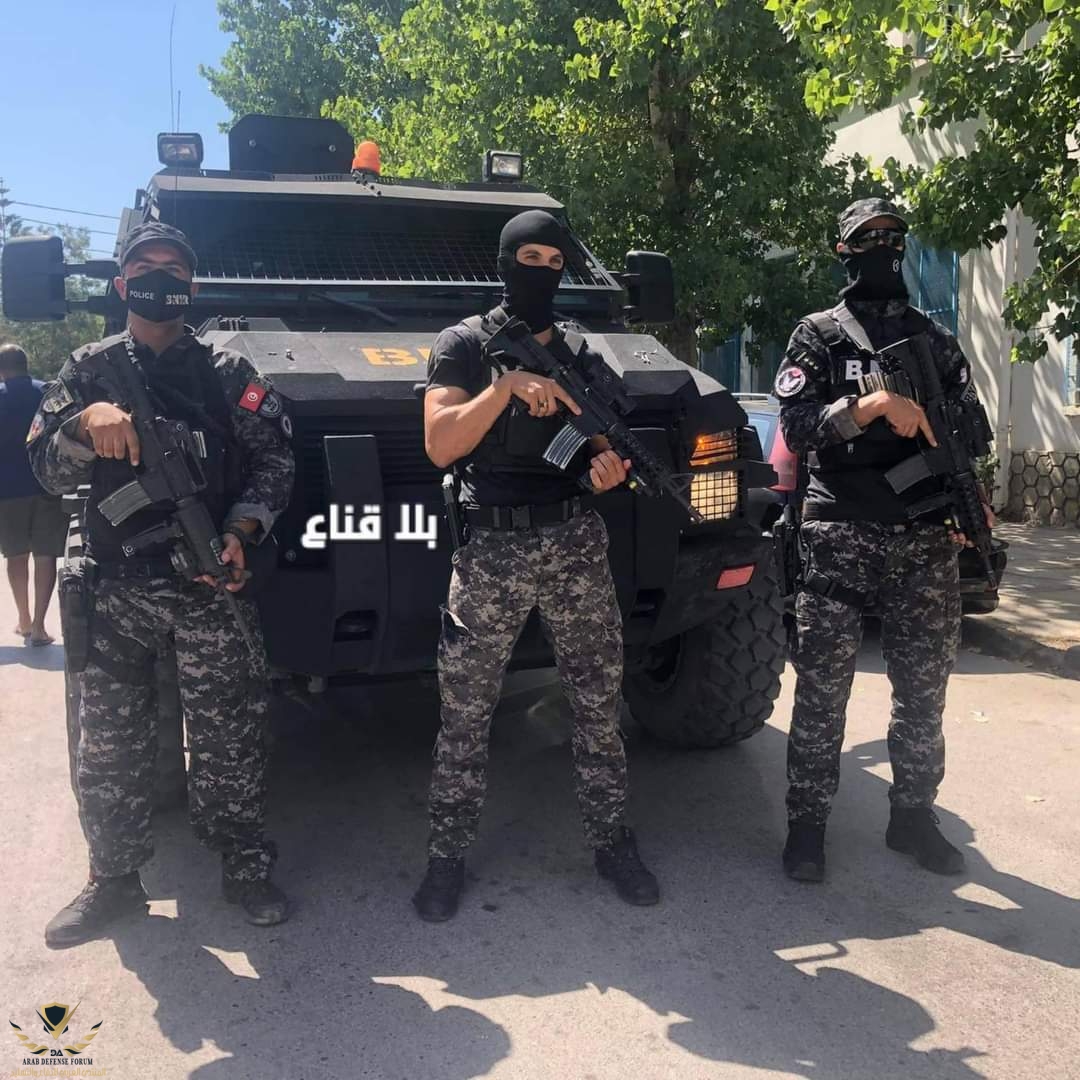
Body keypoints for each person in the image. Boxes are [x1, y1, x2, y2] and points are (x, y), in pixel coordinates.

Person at [27, 222, 296, 947]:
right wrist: (83, 424)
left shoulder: (228, 371)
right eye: (145, 266)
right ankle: (114, 880)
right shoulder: (87, 370)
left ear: (191, 287)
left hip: (209, 585)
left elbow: (275, 462)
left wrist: (242, 529)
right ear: (122, 284)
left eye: (173, 269)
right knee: (111, 745)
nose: (159, 278)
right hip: (118, 588)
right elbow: (42, 468)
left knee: (229, 737)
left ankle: (243, 864)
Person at [413, 209, 660, 921]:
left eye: (556, 262)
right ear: (505, 262)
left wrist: (605, 470)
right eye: (531, 258)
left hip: (573, 541)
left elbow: (594, 448)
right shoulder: (464, 344)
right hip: (491, 549)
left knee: (597, 703)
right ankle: (446, 856)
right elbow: (439, 444)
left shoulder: (580, 353)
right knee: (466, 710)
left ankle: (611, 842)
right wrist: (504, 388)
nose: (544, 272)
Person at [774, 197, 994, 883]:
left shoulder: (933, 339)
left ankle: (913, 817)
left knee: (923, 691)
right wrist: (869, 406)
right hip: (840, 531)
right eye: (867, 238)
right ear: (843, 250)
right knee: (823, 691)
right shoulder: (818, 336)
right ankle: (808, 825)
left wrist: (967, 498)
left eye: (893, 237)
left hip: (923, 536)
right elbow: (797, 427)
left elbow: (965, 427)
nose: (883, 248)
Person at [0, 343, 69, 645]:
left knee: (15, 554)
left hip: (7, 490)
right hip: (47, 485)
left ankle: (24, 620)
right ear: (26, 364)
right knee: (45, 554)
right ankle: (40, 626)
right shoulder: (48, 393)